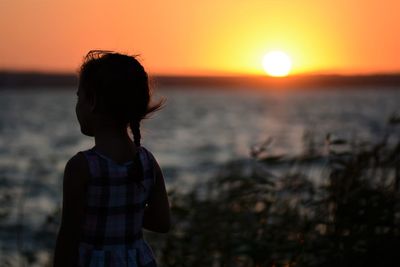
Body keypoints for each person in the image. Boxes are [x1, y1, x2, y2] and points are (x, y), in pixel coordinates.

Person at [54, 50, 170, 266]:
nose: (77, 106)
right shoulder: (147, 162)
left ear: (94, 101)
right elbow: (162, 222)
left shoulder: (82, 167)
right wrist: (127, 211)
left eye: (79, 97)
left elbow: (68, 238)